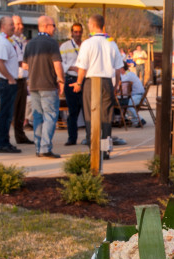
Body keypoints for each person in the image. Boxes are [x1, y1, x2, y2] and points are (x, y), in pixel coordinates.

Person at [72, 14, 123, 160]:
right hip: (107, 81)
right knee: (106, 117)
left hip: (91, 82)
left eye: (88, 23)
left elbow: (82, 68)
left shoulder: (87, 44)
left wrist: (78, 83)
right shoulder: (111, 43)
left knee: (90, 116)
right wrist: (116, 85)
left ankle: (93, 149)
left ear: (93, 25)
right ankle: (105, 150)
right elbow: (118, 69)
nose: (88, 26)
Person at [24, 15, 63, 159]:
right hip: (48, 85)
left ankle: (38, 146)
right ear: (46, 26)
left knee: (38, 117)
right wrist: (61, 81)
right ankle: (45, 148)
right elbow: (57, 65)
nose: (55, 28)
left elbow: (25, 65)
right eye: (53, 25)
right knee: (50, 116)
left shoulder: (30, 44)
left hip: (33, 85)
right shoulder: (51, 43)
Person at [0, 16, 21, 154]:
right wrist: (10, 78)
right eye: (10, 25)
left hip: (4, 80)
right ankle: (3, 143)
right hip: (6, 81)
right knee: (6, 114)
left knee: (5, 113)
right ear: (3, 26)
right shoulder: (2, 42)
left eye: (13, 25)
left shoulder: (4, 40)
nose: (13, 27)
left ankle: (0, 141)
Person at [60, 23, 83, 146]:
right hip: (70, 79)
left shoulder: (85, 45)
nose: (78, 34)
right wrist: (71, 67)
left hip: (84, 80)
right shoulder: (65, 46)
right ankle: (72, 138)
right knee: (72, 111)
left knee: (87, 110)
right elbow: (60, 63)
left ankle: (90, 137)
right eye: (75, 32)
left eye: (79, 32)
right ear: (71, 33)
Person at [11, 16, 32, 145]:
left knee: (21, 111)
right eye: (18, 24)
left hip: (23, 79)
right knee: (12, 111)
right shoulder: (9, 41)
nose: (21, 26)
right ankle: (3, 139)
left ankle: (20, 136)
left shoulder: (23, 42)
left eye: (22, 23)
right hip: (13, 79)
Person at [119, 63, 145, 127]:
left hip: (138, 95)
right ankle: (130, 119)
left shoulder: (128, 75)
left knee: (128, 104)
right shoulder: (129, 73)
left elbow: (120, 82)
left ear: (122, 69)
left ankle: (140, 120)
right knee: (124, 102)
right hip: (137, 95)